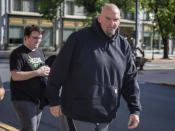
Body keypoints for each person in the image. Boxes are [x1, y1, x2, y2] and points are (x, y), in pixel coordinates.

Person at [46, 3, 141, 131]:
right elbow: (58, 70)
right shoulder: (79, 38)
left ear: (119, 21)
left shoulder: (123, 45)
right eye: (108, 18)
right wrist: (54, 100)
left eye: (116, 19)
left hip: (105, 115)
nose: (111, 23)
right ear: (99, 18)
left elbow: (130, 79)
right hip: (77, 113)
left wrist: (135, 109)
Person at [9, 25, 50, 131]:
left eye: (40, 38)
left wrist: (46, 70)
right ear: (26, 37)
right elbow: (15, 76)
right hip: (22, 98)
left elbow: (42, 69)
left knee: (32, 128)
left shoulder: (40, 52)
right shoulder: (18, 53)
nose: (38, 41)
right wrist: (37, 72)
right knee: (30, 128)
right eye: (35, 38)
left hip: (38, 98)